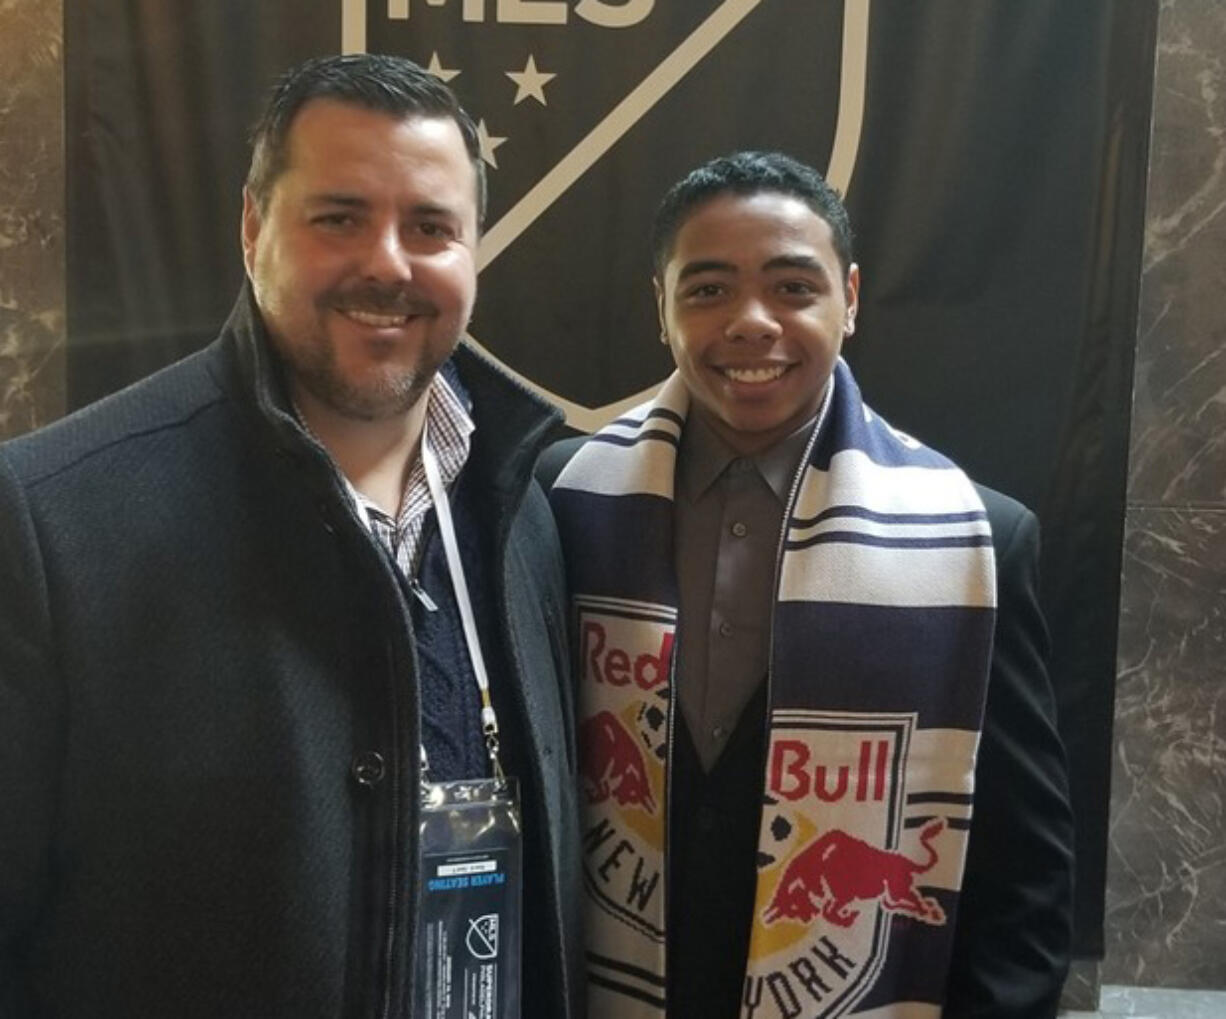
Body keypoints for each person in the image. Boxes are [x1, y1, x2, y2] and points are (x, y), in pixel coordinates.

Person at [0, 54, 580, 1018]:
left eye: (431, 227)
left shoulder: (523, 513)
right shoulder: (49, 520)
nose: (388, 262)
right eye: (340, 217)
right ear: (252, 227)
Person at [540, 151, 1073, 1018]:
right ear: (661, 307)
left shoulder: (978, 539)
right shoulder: (561, 503)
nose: (752, 323)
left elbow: (1023, 869)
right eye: (708, 289)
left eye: (793, 287)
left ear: (850, 298)